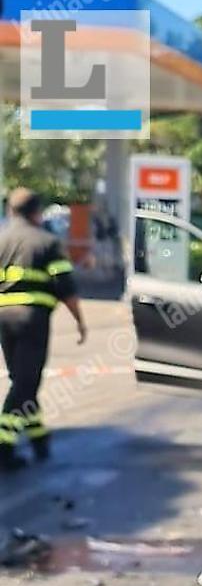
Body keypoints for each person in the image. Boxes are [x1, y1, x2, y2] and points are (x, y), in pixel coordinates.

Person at [0, 188, 86, 471]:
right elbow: (65, 286)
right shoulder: (48, 242)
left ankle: (38, 439)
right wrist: (79, 321)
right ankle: (4, 446)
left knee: (21, 378)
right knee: (26, 383)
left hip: (4, 319)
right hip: (31, 320)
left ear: (11, 212)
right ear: (37, 213)